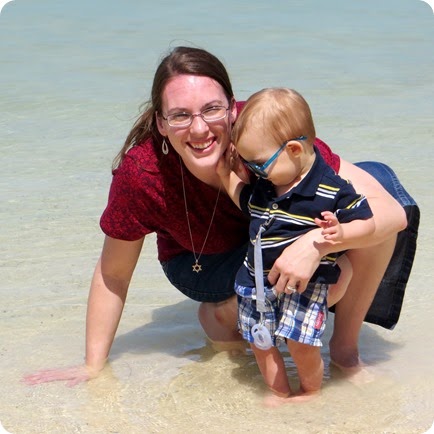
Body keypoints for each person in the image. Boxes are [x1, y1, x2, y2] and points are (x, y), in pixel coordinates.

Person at [23, 46, 418, 388]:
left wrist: (315, 244)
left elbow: (391, 214)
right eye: (179, 115)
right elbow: (114, 274)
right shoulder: (142, 171)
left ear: (233, 108)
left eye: (211, 109)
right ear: (161, 123)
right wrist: (93, 366)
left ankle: (345, 352)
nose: (198, 129)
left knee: (375, 183)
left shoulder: (261, 128)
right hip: (201, 263)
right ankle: (223, 316)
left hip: (270, 236)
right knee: (333, 276)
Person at [217, 87, 375, 402]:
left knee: (302, 345)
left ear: (293, 150)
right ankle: (278, 392)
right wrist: (225, 173)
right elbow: (243, 201)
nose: (254, 172)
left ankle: (310, 391)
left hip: (306, 285)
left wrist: (339, 234)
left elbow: (368, 224)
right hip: (255, 283)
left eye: (259, 164)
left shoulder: (331, 188)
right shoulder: (266, 186)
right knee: (260, 343)